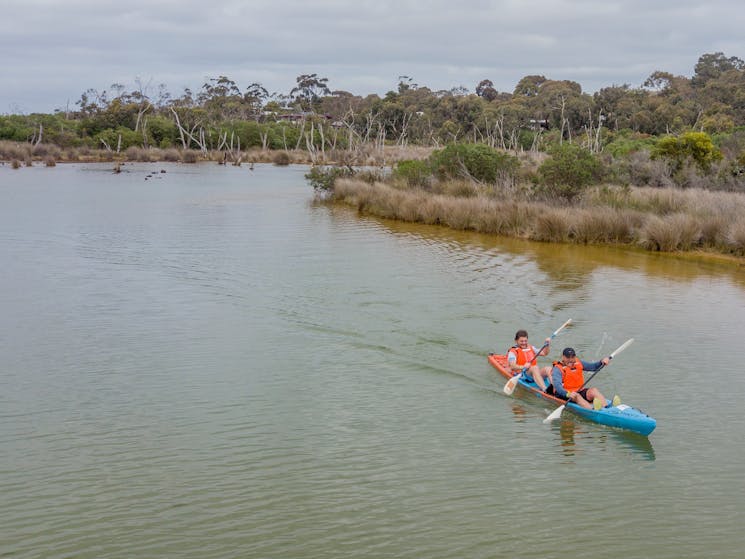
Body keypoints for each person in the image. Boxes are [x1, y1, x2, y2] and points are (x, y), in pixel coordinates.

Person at [547, 347, 620, 410]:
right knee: (577, 396)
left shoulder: (579, 363)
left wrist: (602, 362)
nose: (570, 360)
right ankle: (592, 411)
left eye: (572, 357)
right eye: (568, 357)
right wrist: (568, 394)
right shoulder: (557, 369)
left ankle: (606, 409)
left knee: (593, 390)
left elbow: (593, 367)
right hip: (564, 394)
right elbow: (557, 387)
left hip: (578, 390)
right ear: (563, 357)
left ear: (575, 357)